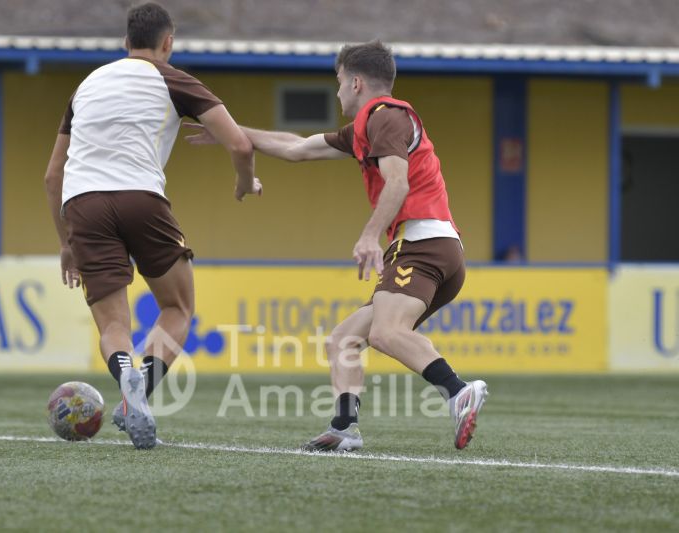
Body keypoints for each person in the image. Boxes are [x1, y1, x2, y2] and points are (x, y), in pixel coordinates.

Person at [186, 41, 487, 451]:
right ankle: (345, 427)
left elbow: (398, 183)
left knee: (385, 332)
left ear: (357, 82)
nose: (339, 90)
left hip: (421, 244)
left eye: (341, 81)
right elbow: (296, 148)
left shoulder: (386, 117)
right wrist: (230, 134)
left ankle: (458, 392)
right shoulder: (367, 127)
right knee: (344, 338)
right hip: (437, 247)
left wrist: (368, 236)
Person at [44, 2, 261, 449]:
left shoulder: (86, 86)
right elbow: (239, 143)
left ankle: (126, 379)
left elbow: (52, 176)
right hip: (141, 198)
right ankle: (137, 393)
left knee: (112, 327)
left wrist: (66, 243)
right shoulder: (173, 77)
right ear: (168, 43)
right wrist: (244, 183)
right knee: (178, 308)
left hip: (82, 206)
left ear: (125, 43)